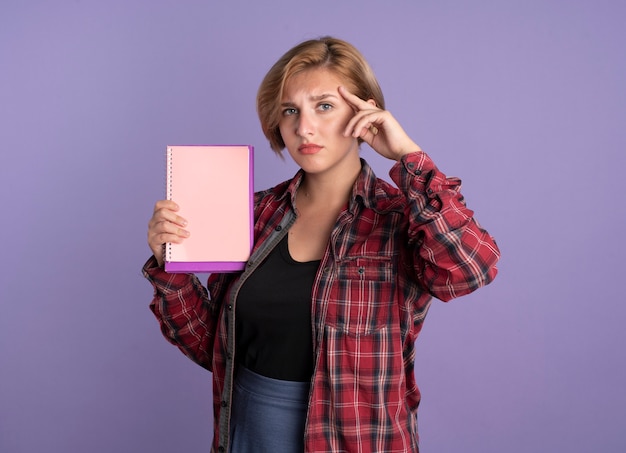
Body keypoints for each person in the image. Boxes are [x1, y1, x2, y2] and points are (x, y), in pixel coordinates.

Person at [143, 36, 500, 453]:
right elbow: (213, 346)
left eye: (324, 106)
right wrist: (169, 265)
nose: (303, 127)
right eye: (290, 110)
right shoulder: (252, 213)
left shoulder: (403, 217)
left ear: (364, 113)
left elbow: (472, 269)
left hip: (359, 439)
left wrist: (407, 156)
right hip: (249, 433)